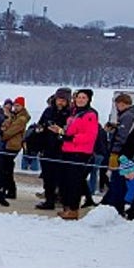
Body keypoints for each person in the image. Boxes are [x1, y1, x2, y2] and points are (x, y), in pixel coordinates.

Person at [53, 88, 99, 220]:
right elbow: (70, 131)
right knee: (65, 180)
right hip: (68, 149)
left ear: (88, 99)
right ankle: (67, 206)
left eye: (83, 98)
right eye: (78, 97)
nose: (80, 100)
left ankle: (73, 209)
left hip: (80, 151)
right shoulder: (74, 113)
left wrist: (71, 138)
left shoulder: (90, 115)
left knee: (74, 181)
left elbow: (89, 136)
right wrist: (61, 132)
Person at [101, 92, 134, 213]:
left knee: (118, 178)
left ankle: (116, 206)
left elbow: (122, 136)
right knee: (120, 178)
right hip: (127, 152)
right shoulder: (133, 115)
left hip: (123, 153)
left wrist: (114, 151)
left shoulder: (128, 116)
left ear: (122, 104)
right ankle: (111, 202)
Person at [33, 87, 71, 209]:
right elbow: (40, 124)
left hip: (62, 149)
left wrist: (60, 130)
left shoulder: (70, 113)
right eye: (59, 99)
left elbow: (71, 132)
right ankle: (49, 200)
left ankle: (63, 200)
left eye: (63, 100)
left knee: (62, 177)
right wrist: (40, 129)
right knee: (48, 177)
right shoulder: (48, 111)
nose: (60, 102)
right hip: (47, 147)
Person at [0, 96, 29, 203]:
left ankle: (10, 189)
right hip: (8, 144)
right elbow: (6, 125)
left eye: (18, 106)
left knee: (6, 168)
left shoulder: (22, 118)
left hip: (13, 145)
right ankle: (9, 189)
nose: (15, 107)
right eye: (15, 105)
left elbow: (11, 130)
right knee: (6, 168)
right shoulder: (15, 116)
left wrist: (2, 135)